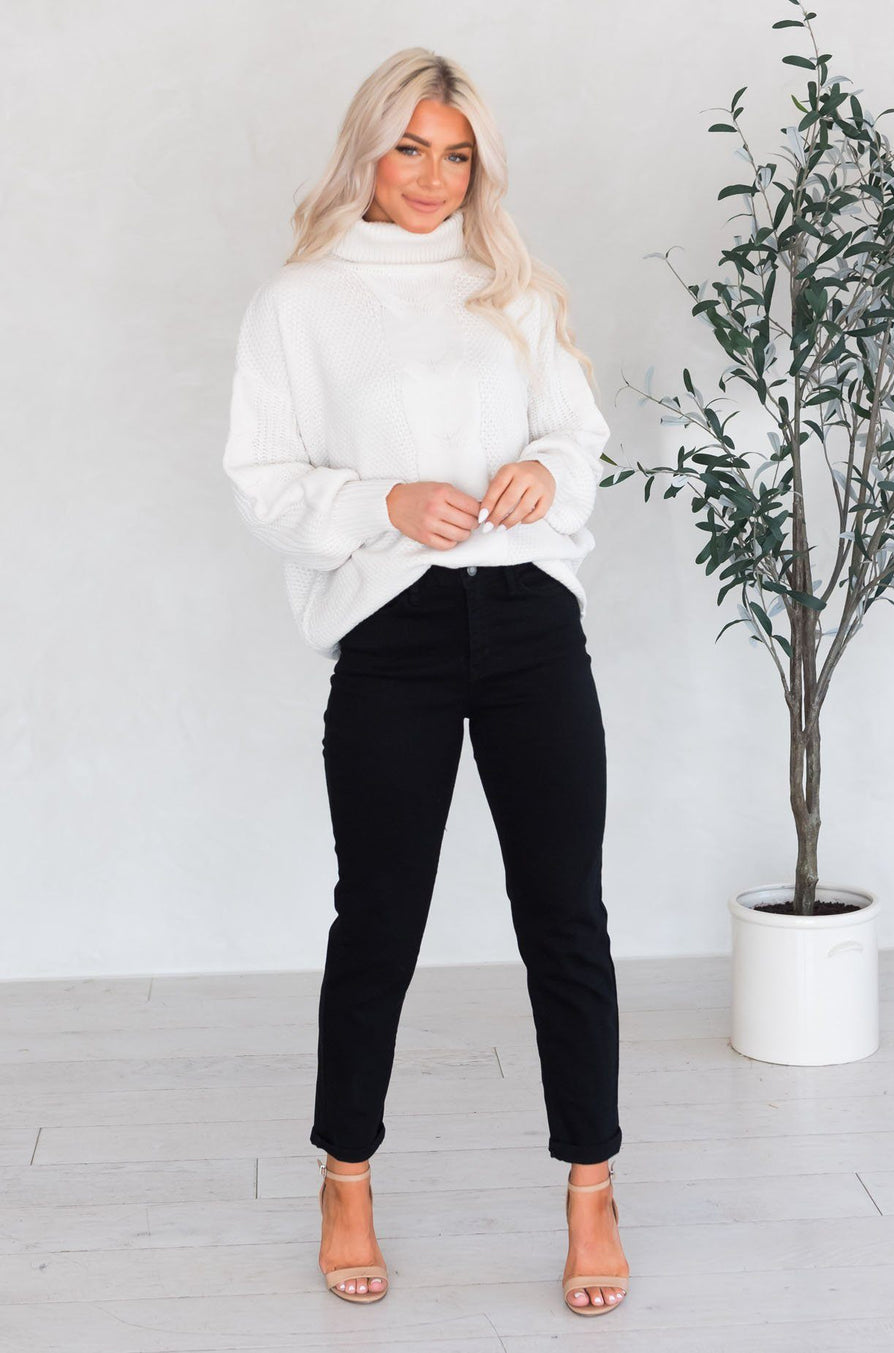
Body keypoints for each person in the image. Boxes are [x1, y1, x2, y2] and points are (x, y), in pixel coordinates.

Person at [223, 46, 629, 1318]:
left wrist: (547, 471)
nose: (433, 177)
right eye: (410, 147)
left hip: (529, 622)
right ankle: (345, 1177)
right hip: (392, 630)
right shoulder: (300, 303)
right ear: (367, 151)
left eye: (456, 155)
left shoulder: (513, 288)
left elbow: (579, 434)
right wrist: (384, 502)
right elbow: (265, 482)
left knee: (565, 914)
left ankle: (593, 1188)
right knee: (381, 915)